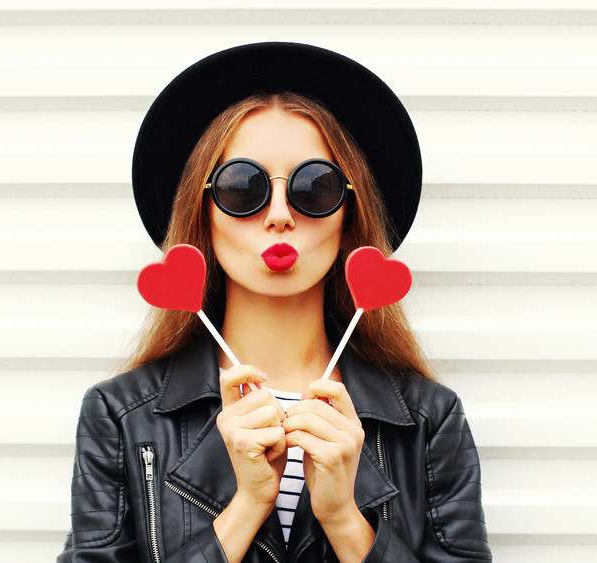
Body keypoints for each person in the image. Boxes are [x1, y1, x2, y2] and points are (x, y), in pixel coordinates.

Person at [58, 42, 492, 563]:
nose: (281, 216)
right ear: (205, 211)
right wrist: (246, 507)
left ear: (349, 215)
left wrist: (344, 521)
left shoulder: (428, 419)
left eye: (315, 186)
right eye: (244, 188)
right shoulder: (121, 416)